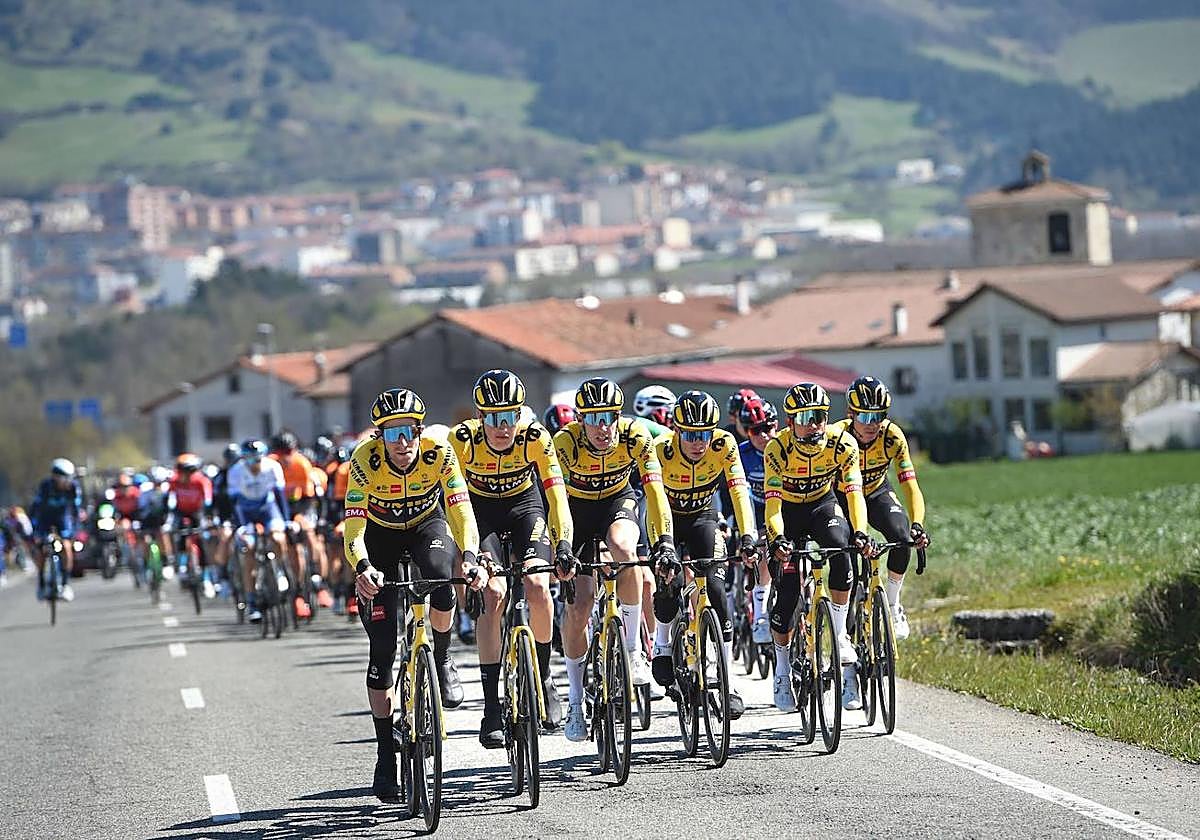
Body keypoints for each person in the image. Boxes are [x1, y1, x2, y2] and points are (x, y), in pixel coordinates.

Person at [344, 387, 488, 802]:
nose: (402, 442)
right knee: (383, 650)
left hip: (428, 525)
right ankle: (386, 755)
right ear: (379, 438)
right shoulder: (363, 462)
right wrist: (363, 568)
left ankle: (441, 657)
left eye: (408, 432)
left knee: (443, 577)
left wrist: (472, 557)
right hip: (380, 536)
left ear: (419, 431)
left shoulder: (439, 453)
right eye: (392, 434)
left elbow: (461, 511)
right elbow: (353, 528)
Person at [450, 370, 575, 746]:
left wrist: (563, 543)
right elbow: (450, 499)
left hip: (525, 507)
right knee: (494, 595)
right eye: (492, 417)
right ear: (479, 415)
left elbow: (556, 497)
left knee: (538, 584)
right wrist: (466, 553)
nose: (502, 426)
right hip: (481, 512)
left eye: (510, 416)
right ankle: (491, 707)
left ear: (521, 414)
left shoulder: (536, 437)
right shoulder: (462, 440)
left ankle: (545, 675)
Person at [553, 378, 673, 742]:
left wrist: (664, 540)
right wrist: (561, 545)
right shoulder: (565, 443)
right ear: (581, 419)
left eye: (609, 417)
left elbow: (654, 491)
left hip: (617, 502)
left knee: (625, 549)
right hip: (575, 511)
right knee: (580, 607)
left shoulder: (635, 435)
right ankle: (576, 699)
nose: (603, 427)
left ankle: (635, 652)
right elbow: (553, 500)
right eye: (594, 418)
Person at [763, 383, 875, 712]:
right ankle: (782, 670)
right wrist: (777, 538)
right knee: (786, 600)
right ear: (790, 421)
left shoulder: (842, 443)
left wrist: (861, 532)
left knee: (842, 554)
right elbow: (771, 507)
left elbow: (854, 493)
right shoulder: (777, 449)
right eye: (806, 417)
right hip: (786, 513)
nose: (815, 424)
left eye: (821, 416)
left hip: (822, 508)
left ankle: (839, 636)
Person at [651, 391, 758, 719]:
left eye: (705, 434)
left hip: (703, 518)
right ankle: (663, 644)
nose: (699, 443)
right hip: (665, 518)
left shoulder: (723, 445)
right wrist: (664, 544)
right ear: (676, 430)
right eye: (691, 435)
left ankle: (728, 680)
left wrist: (749, 536)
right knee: (668, 585)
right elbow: (653, 500)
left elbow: (740, 491)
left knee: (715, 587)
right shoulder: (660, 451)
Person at [830, 376, 930, 649]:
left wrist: (918, 523)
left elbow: (910, 485)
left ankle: (893, 603)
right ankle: (845, 635)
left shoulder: (892, 436)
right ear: (851, 413)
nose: (872, 423)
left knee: (901, 534)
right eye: (865, 415)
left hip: (875, 492)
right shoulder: (836, 436)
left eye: (879, 415)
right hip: (841, 496)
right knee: (846, 556)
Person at [270, 431, 332, 618]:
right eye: (282, 452)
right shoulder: (271, 465)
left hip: (301, 505)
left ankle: (318, 582)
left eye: (289, 451)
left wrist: (314, 521)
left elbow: (310, 498)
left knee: (311, 535)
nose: (286, 456)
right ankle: (295, 591)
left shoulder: (302, 464)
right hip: (278, 508)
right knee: (294, 550)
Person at [228, 439, 290, 623]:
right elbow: (234, 502)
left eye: (256, 460)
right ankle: (252, 600)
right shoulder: (236, 471)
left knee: (278, 539)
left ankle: (279, 571)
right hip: (245, 510)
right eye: (248, 460)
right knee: (249, 549)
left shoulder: (273, 466)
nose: (253, 464)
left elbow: (280, 496)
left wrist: (285, 521)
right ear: (243, 459)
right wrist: (240, 527)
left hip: (267, 508)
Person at [737, 397, 779, 645]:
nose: (763, 435)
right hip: (755, 509)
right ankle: (761, 616)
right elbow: (731, 493)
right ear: (746, 431)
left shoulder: (785, 447)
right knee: (762, 552)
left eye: (768, 428)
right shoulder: (742, 454)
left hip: (783, 507)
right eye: (756, 430)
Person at [29, 458, 82, 601]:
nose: (67, 481)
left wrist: (75, 531)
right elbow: (35, 509)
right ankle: (41, 583)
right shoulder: (45, 487)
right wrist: (35, 532)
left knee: (66, 546)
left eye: (69, 478)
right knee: (40, 549)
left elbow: (76, 511)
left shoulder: (73, 488)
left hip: (62, 519)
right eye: (65, 478)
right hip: (44, 520)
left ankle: (65, 584)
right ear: (55, 476)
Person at [167, 453, 215, 597]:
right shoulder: (174, 481)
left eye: (190, 471)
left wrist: (208, 516)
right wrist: (169, 516)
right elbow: (170, 498)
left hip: (197, 512)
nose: (187, 475)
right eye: (183, 471)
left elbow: (208, 500)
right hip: (180, 512)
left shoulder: (201, 481)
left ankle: (206, 579)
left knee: (201, 540)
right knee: (179, 534)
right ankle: (181, 567)